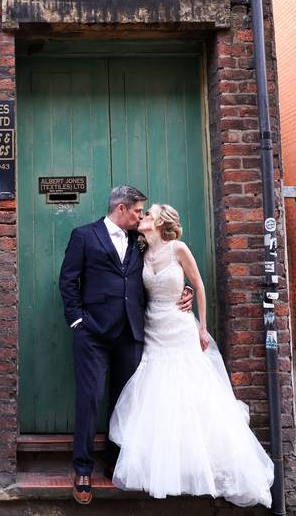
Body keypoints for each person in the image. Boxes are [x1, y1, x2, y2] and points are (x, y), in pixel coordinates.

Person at [108, 203, 274, 507]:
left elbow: (197, 285)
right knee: (158, 392)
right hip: (153, 328)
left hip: (181, 327)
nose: (142, 216)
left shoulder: (178, 248)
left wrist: (203, 327)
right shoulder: (140, 250)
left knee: (191, 390)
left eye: (148, 213)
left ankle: (203, 464)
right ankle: (166, 464)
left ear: (160, 222)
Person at [59, 186, 193, 505]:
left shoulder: (141, 241)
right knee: (90, 399)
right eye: (137, 211)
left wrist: (182, 291)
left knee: (127, 401)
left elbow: (159, 272)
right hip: (92, 333)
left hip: (132, 333)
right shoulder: (84, 236)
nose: (140, 216)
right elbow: (68, 280)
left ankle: (116, 460)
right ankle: (82, 469)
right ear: (121, 209)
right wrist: (77, 321)